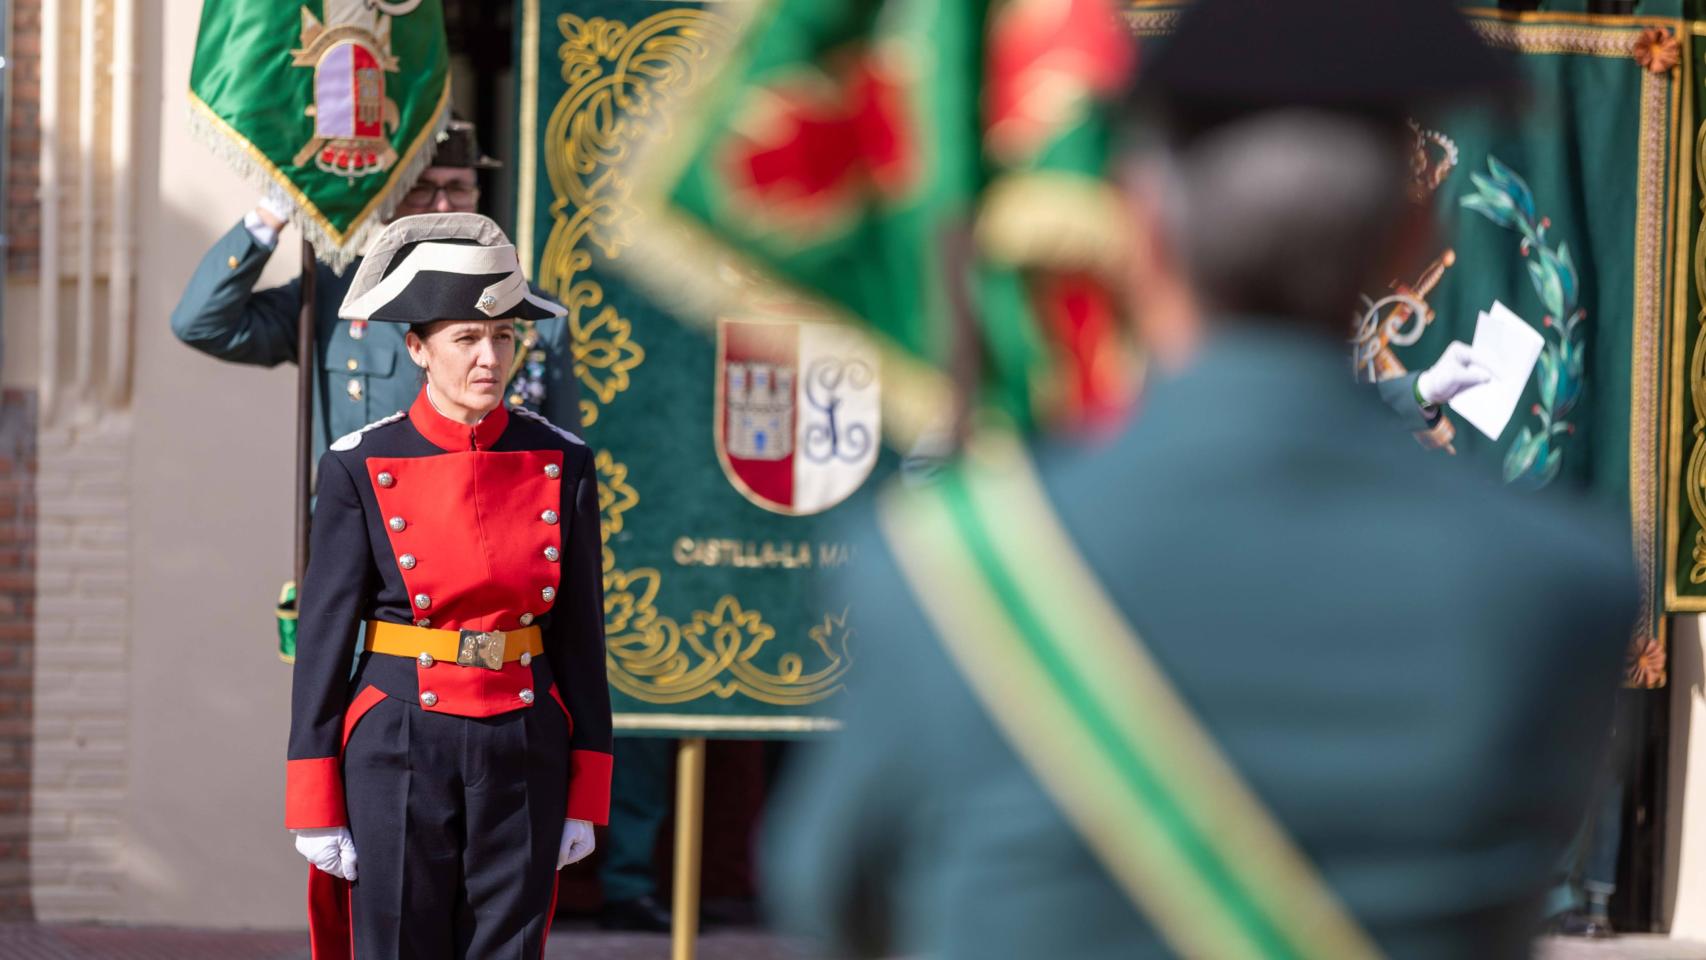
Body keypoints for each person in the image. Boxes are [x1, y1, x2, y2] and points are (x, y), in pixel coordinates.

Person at [762, 2, 1637, 958]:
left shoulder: (939, 571)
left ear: (1140, 228)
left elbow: (835, 903)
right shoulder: (1566, 590)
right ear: (1409, 234)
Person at [284, 213, 612, 958]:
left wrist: (587, 787)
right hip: (399, 734)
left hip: (524, 733)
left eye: (503, 338)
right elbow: (326, 638)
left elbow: (581, 637)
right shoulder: (358, 463)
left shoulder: (563, 459)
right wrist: (312, 794)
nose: (489, 358)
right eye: (466, 338)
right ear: (417, 349)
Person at [170, 117, 583, 460]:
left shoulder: (532, 315)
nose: (442, 206)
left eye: (457, 188)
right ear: (390, 200)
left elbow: (563, 459)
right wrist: (273, 211)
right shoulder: (337, 294)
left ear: (476, 194)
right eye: (421, 188)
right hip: (368, 540)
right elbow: (202, 323)